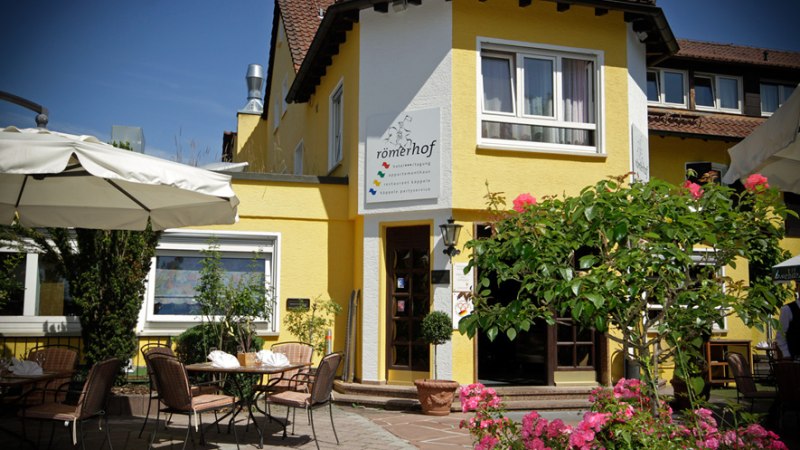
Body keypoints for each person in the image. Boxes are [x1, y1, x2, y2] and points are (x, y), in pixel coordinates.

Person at [776, 282, 800, 359]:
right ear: (797, 288)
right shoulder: (787, 309)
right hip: (795, 358)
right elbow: (781, 335)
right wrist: (786, 354)